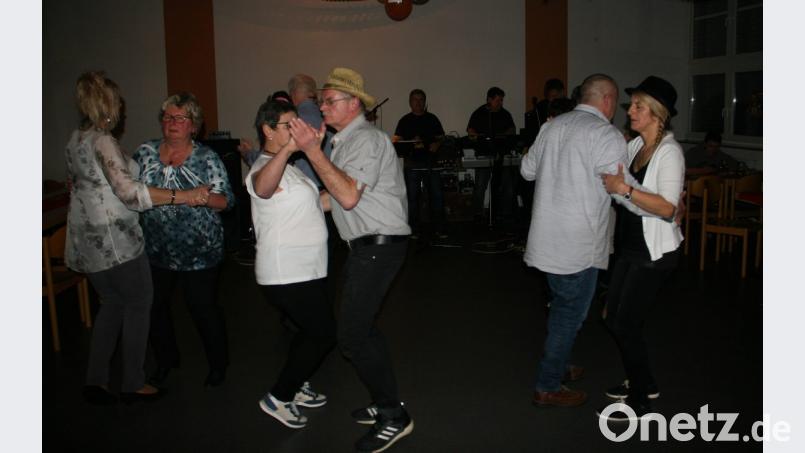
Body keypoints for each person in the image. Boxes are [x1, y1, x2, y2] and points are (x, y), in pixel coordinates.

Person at [288, 67, 413, 453]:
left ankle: (395, 416)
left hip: (379, 245)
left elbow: (346, 196)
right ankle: (385, 400)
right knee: (365, 329)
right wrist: (288, 212)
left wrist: (310, 149)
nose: (321, 106)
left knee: (352, 335)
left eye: (329, 101)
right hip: (369, 245)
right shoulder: (345, 142)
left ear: (354, 103)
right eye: (322, 100)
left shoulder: (367, 140)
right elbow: (332, 200)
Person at [65, 72, 208, 405]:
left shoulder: (76, 138)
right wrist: (181, 195)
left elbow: (77, 183)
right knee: (139, 305)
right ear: (110, 104)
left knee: (111, 305)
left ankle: (96, 379)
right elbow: (130, 194)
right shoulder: (102, 140)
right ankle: (132, 381)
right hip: (116, 240)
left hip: (88, 241)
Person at [520, 73, 626, 407]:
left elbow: (526, 170)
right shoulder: (606, 134)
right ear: (607, 100)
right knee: (570, 314)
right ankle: (548, 385)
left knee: (561, 306)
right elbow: (620, 191)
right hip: (578, 244)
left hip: (546, 240)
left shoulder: (551, 126)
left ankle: (560, 363)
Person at [133, 92, 235, 389]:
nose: (172, 123)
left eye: (180, 118)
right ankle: (166, 360)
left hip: (199, 250)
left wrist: (202, 199)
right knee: (154, 306)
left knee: (202, 308)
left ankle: (218, 364)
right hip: (156, 248)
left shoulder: (207, 158)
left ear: (194, 125)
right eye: (167, 117)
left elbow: (226, 201)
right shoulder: (145, 153)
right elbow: (128, 189)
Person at [598, 76, 685, 421]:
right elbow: (624, 189)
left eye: (638, 105)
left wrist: (626, 191)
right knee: (612, 317)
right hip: (631, 247)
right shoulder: (635, 147)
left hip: (656, 253)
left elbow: (667, 208)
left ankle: (641, 396)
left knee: (625, 323)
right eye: (632, 104)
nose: (630, 110)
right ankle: (642, 380)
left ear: (657, 113)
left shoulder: (670, 152)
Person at [246, 100, 336, 429]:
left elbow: (317, 203)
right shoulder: (263, 166)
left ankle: (296, 385)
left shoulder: (293, 168)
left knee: (308, 331)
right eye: (289, 125)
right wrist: (289, 150)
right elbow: (262, 189)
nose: (296, 129)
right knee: (324, 333)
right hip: (285, 272)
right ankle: (279, 396)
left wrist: (353, 188)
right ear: (268, 130)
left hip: (308, 269)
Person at [393, 89, 447, 238]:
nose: (418, 102)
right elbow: (396, 141)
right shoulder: (405, 120)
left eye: (421, 99)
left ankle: (439, 229)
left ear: (425, 101)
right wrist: (411, 144)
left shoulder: (432, 119)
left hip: (431, 163)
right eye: (415, 100)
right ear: (410, 102)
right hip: (413, 164)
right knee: (412, 197)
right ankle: (413, 229)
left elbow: (442, 137)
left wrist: (437, 143)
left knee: (436, 196)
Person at [466, 86, 517, 220]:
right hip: (484, 154)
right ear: (489, 99)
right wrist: (477, 136)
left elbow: (512, 130)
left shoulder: (505, 114)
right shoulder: (479, 113)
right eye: (498, 100)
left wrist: (505, 134)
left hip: (501, 155)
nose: (501, 103)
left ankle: (505, 214)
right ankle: (477, 213)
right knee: (480, 186)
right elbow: (470, 131)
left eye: (502, 100)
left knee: (507, 186)